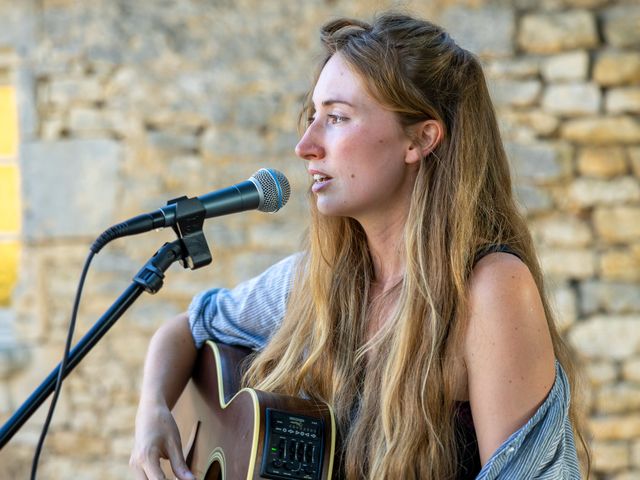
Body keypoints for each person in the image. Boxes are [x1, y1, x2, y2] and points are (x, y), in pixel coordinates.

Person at [130, 11, 588, 480]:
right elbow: (189, 328)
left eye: (337, 117)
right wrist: (153, 411)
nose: (306, 145)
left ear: (420, 139)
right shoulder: (318, 280)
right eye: (312, 117)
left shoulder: (490, 291)